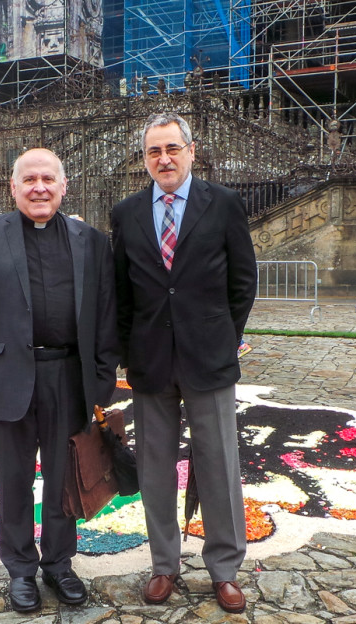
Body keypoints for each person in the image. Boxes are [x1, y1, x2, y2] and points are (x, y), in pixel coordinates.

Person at [0, 148, 119, 613]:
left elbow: (106, 316)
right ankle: (21, 569)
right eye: (29, 179)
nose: (39, 187)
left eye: (48, 178)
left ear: (64, 186)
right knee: (13, 479)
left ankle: (60, 564)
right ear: (13, 187)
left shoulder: (91, 240)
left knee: (65, 478)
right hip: (7, 379)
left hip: (71, 377)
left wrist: (102, 382)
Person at [111, 112, 257, 614]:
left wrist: (222, 337)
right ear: (145, 159)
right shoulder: (126, 212)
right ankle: (164, 565)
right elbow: (122, 293)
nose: (164, 159)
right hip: (150, 363)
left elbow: (243, 282)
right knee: (155, 470)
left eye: (172, 148)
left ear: (191, 151)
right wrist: (129, 355)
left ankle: (224, 570)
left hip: (209, 360)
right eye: (154, 151)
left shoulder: (224, 204)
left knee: (218, 464)